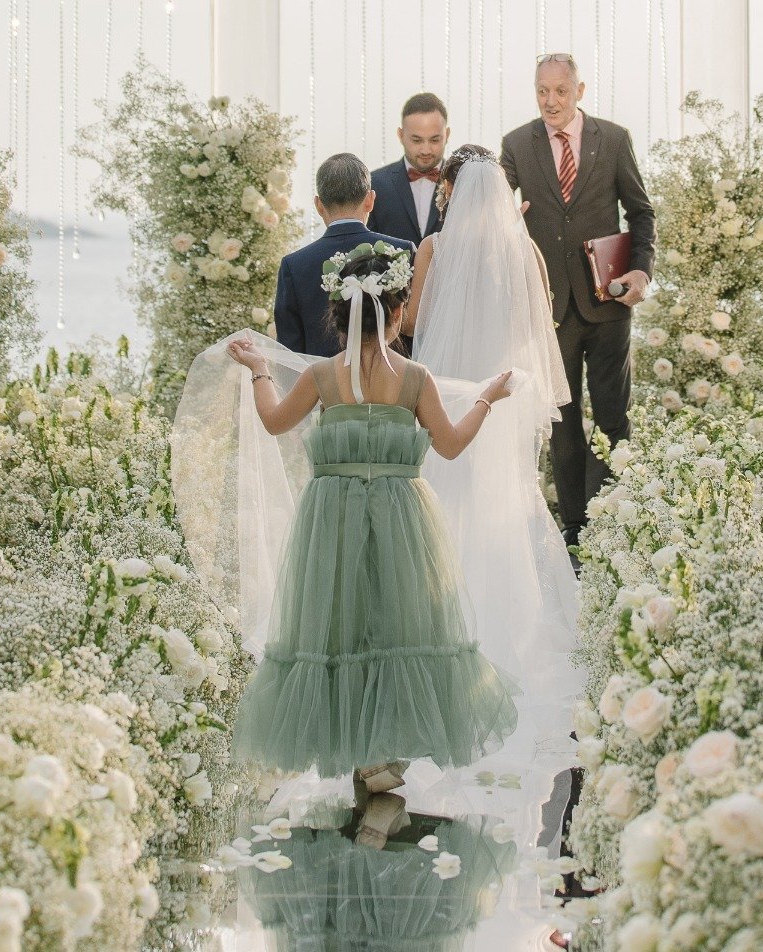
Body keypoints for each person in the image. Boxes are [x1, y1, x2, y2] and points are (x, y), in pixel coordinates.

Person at [219, 243, 517, 820]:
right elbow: (451, 445)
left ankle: (362, 753)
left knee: (342, 627)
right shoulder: (414, 379)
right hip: (404, 518)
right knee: (399, 625)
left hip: (331, 521)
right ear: (400, 311)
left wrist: (259, 370)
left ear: (337, 313)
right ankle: (386, 755)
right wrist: (487, 396)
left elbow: (274, 420)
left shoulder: (321, 378)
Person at [403, 145, 577, 733]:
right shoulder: (523, 250)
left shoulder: (434, 248)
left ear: (449, 192)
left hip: (451, 395)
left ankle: (446, 636)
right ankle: (513, 636)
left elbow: (411, 324)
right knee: (507, 508)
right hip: (503, 400)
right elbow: (541, 321)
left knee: (448, 508)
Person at [500, 54, 656, 547]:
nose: (550, 101)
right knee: (562, 421)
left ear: (580, 90)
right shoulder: (516, 145)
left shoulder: (613, 139)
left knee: (612, 416)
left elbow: (641, 213)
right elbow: (492, 207)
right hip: (549, 307)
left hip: (607, 303)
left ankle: (607, 521)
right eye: (542, 91)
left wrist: (641, 271)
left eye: (560, 92)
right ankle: (574, 528)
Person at [273, 153, 413, 359]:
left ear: (319, 205)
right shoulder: (403, 252)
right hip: (392, 385)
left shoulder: (294, 266)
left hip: (321, 388)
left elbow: (289, 352)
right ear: (370, 200)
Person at [368, 94, 450, 247]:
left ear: (447, 135)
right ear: (400, 135)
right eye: (417, 140)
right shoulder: (375, 183)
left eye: (434, 140)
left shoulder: (462, 183)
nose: (426, 150)